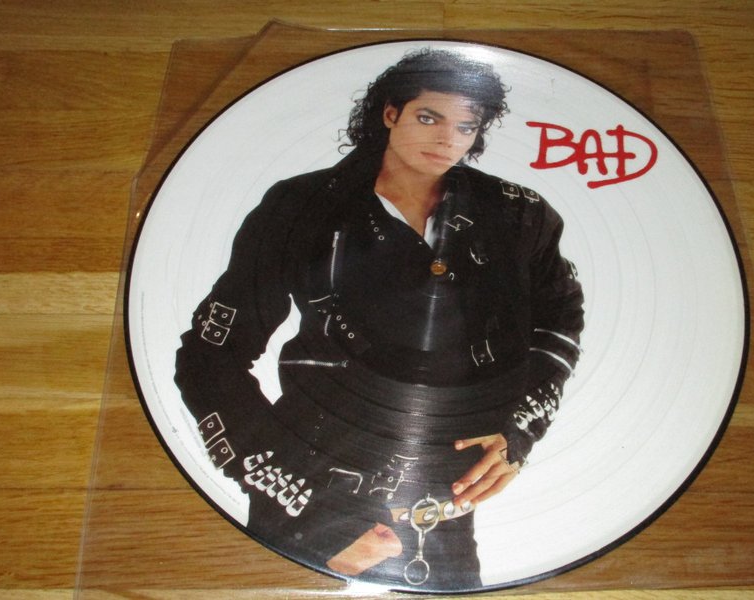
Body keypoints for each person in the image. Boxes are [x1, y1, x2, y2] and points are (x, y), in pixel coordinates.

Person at [174, 48, 584, 591]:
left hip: (444, 500)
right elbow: (210, 354)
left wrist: (519, 429)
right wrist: (288, 482)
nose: (448, 139)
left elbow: (559, 319)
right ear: (390, 113)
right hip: (313, 482)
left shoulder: (518, 212)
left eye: (466, 126)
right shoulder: (299, 205)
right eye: (429, 117)